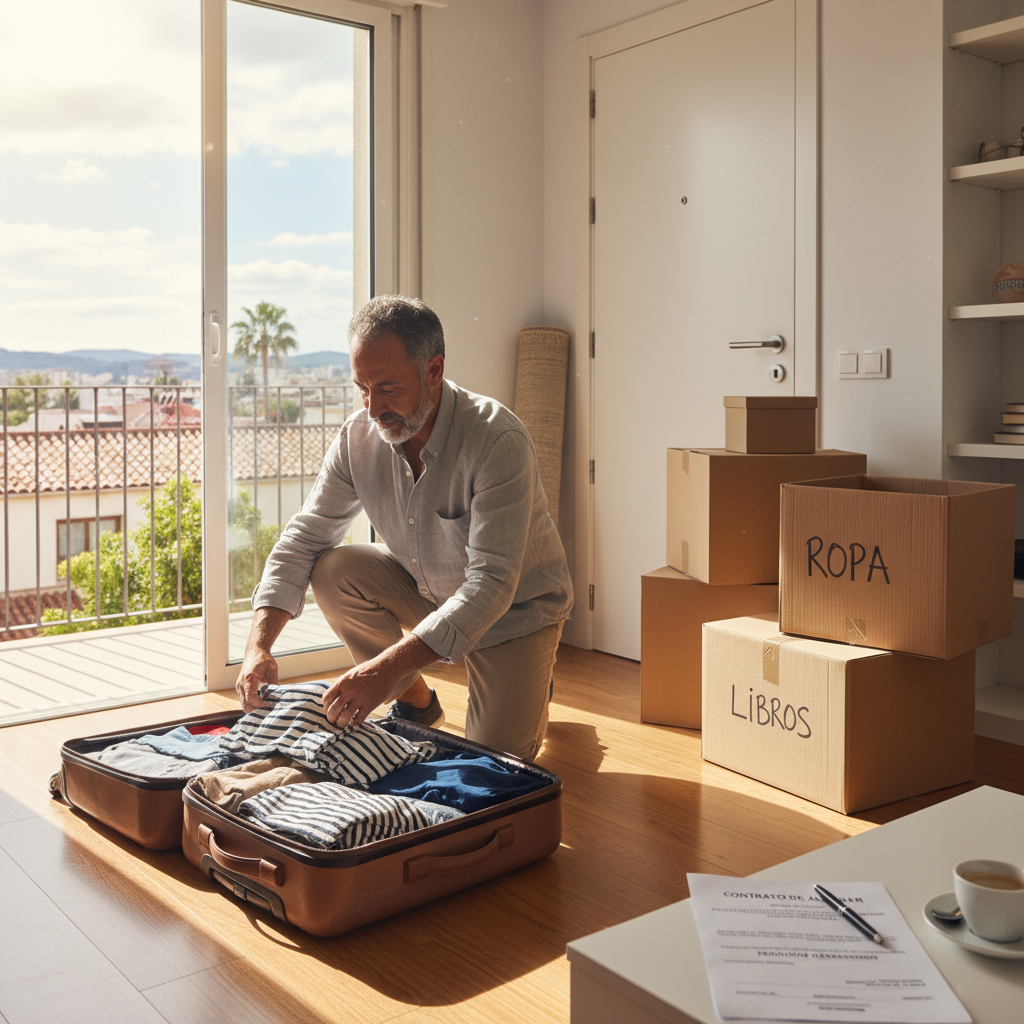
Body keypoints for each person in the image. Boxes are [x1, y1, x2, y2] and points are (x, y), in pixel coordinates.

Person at [235, 295, 573, 760]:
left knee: (489, 765)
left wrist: (380, 671)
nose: (373, 409)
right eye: (362, 388)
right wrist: (258, 647)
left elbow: (492, 585)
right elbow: (304, 537)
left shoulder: (498, 440)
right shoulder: (358, 438)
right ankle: (416, 702)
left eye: (388, 388)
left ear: (433, 370)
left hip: (514, 613)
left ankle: (530, 676)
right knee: (332, 568)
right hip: (432, 590)